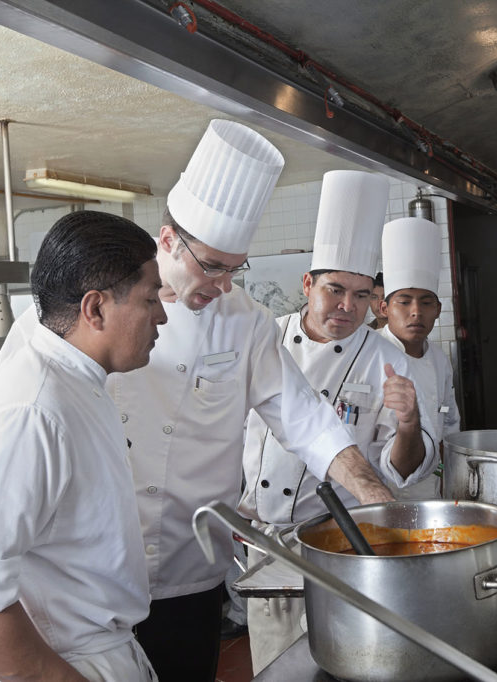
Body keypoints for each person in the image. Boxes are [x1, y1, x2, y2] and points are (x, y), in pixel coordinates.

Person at [104, 120, 394, 681]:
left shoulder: (246, 322)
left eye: (235, 268)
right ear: (167, 241)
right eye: (211, 265)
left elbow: (306, 421)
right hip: (106, 566)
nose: (223, 284)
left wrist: (379, 500)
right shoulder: (104, 310)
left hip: (194, 569)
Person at [0, 210, 166, 682]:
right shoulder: (34, 411)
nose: (162, 315)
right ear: (94, 309)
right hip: (57, 663)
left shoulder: (79, 379)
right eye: (151, 298)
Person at [238, 170, 437, 672]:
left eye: (361, 294)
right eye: (334, 289)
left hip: (340, 542)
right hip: (262, 548)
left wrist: (410, 423)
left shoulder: (385, 359)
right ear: (307, 284)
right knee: (275, 667)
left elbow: (401, 470)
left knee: (345, 665)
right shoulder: (262, 342)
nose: (347, 306)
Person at [378, 216, 461, 500]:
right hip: (380, 499)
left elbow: (449, 422)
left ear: (438, 309)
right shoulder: (367, 355)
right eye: (404, 301)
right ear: (384, 308)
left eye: (426, 302)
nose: (416, 312)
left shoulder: (439, 359)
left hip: (434, 492)